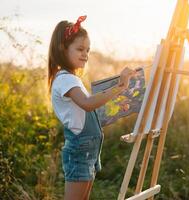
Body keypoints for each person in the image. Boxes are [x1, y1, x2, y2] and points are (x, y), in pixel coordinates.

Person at [47, 15, 136, 200]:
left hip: (89, 149)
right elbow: (87, 104)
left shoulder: (72, 78)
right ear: (62, 49)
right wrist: (120, 87)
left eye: (88, 50)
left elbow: (90, 110)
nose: (85, 54)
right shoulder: (64, 79)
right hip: (80, 148)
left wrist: (117, 105)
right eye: (80, 49)